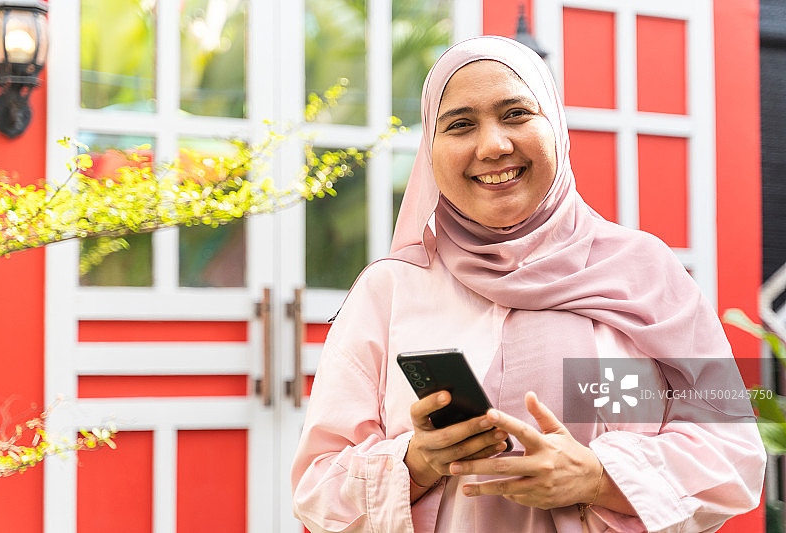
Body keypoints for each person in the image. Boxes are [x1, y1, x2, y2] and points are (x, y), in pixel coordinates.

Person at [291, 35, 765, 532]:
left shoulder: (645, 274)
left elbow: (732, 451)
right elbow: (316, 487)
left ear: (555, 126)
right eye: (460, 124)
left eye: (515, 113)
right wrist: (417, 463)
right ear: (430, 150)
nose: (493, 145)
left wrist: (598, 478)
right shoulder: (390, 291)